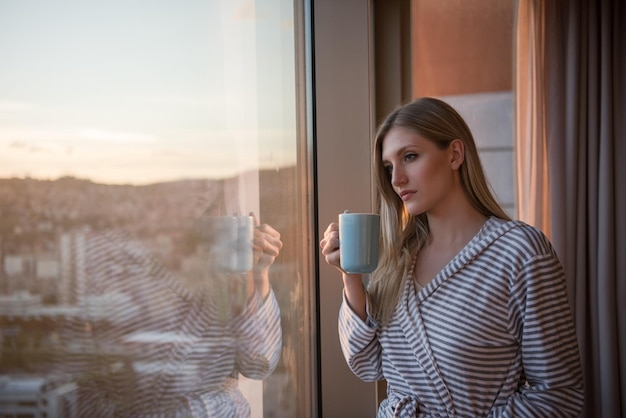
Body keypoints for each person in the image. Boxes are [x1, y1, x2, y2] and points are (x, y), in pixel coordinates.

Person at [319, 97, 584, 417]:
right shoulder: (399, 259)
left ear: (455, 154)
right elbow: (366, 364)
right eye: (389, 167)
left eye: (410, 157)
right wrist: (351, 276)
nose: (396, 179)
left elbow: (560, 397)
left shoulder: (520, 253)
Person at [56, 213, 283, 417]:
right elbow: (79, 374)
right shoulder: (112, 278)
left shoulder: (224, 290)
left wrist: (258, 275)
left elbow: (258, 365)